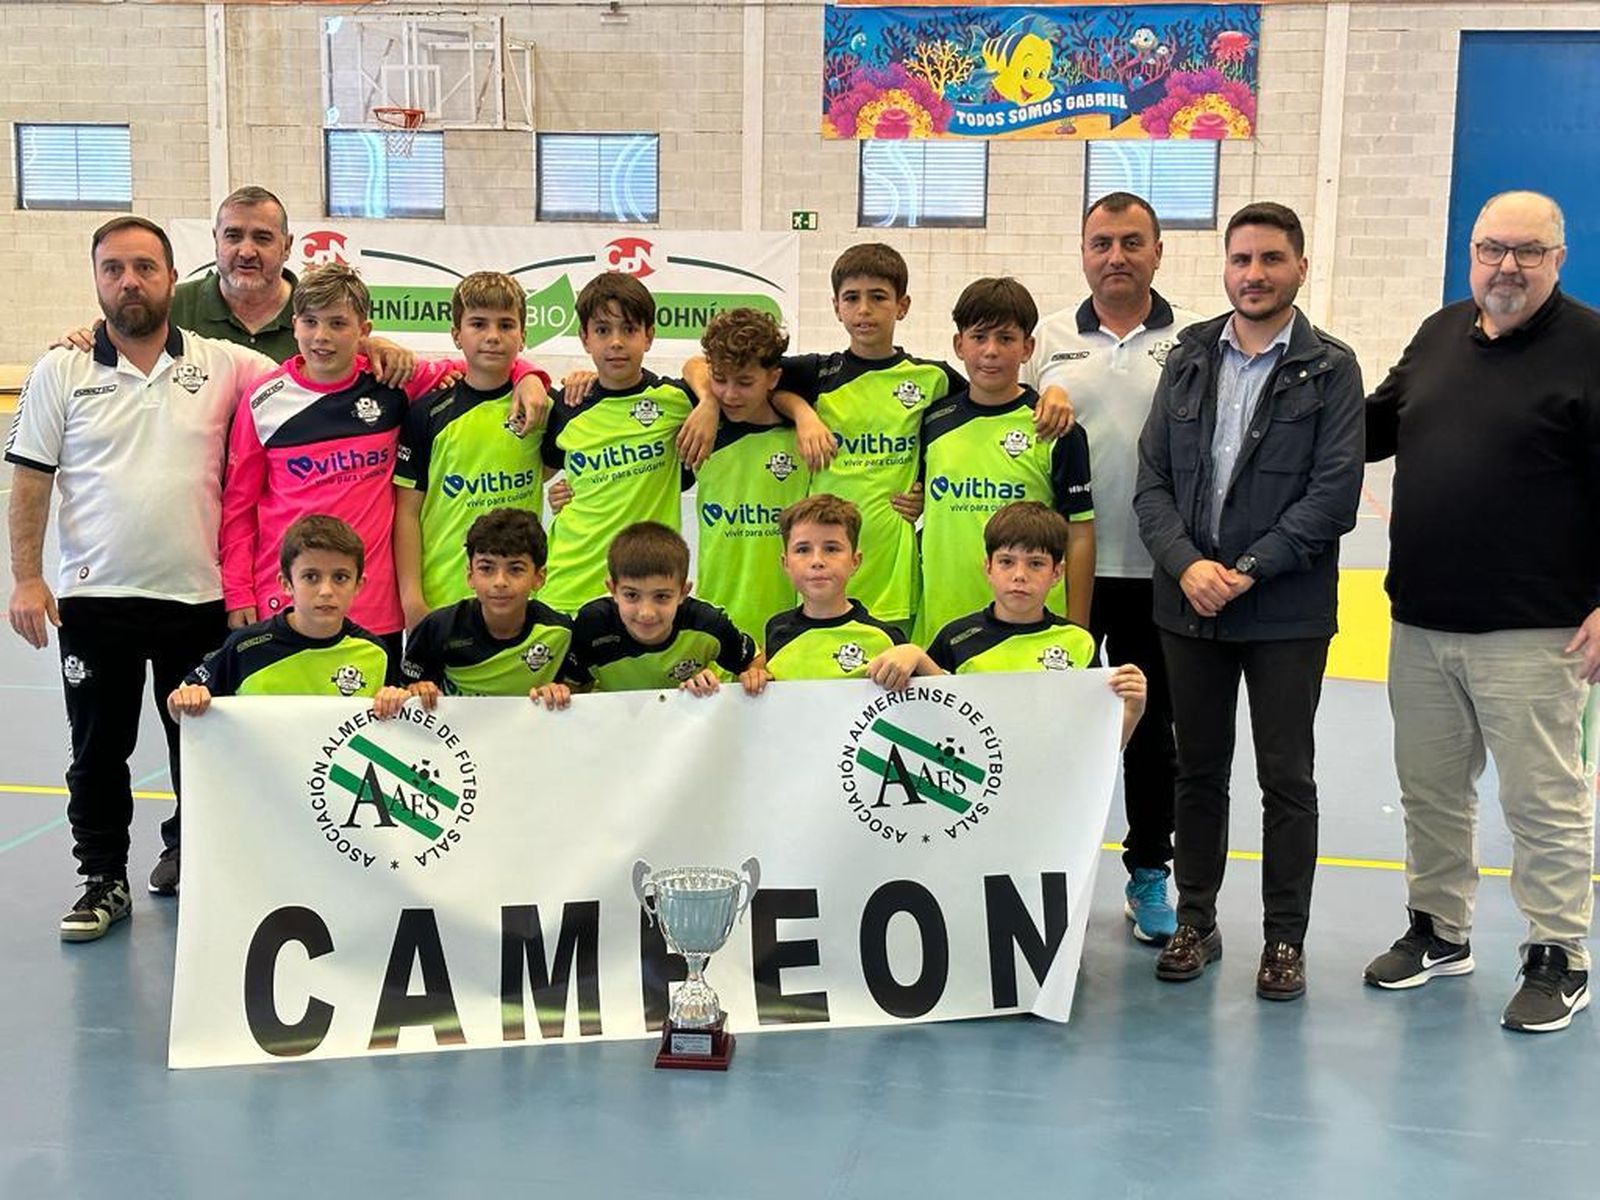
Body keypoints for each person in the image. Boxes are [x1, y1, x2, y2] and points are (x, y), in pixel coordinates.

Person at [1362, 190, 1599, 1034]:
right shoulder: (1440, 332)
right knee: (1431, 792)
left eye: (1527, 252)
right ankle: (1440, 929)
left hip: (1536, 629)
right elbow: (1370, 430)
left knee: (1542, 802)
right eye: (1492, 248)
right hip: (1422, 619)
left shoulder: (1591, 345)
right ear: (1471, 252)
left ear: (1557, 259)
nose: (1507, 266)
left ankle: (1557, 954)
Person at [4, 216, 277, 929]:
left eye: (144, 268)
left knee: (203, 747)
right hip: (95, 603)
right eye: (114, 269)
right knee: (98, 751)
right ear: (96, 280)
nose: (129, 282)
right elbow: (31, 480)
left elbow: (319, 366)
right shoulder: (58, 369)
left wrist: (378, 343)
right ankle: (102, 879)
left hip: (198, 599)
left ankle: (200, 863)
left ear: (170, 278)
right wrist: (28, 579)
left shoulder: (224, 363)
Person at [1133, 201, 1364, 1002]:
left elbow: (1334, 497)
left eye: (1271, 259)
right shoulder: (1190, 355)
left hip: (1285, 612)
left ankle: (1284, 939)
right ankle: (1196, 919)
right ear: (1224, 268)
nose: (1254, 274)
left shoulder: (1333, 368)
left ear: (1301, 268)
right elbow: (1153, 481)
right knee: (1196, 771)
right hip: (1188, 603)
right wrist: (1189, 565)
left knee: (1286, 778)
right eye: (1241, 260)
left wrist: (1250, 568)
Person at [1028, 190, 1204, 946]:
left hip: (1157, 571)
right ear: (1083, 252)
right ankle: (1034, 869)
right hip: (1058, 573)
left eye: (1133, 243)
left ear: (1158, 253)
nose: (1116, 257)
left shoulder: (1194, 343)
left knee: (1153, 732)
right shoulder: (1048, 342)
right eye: (1102, 242)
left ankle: (1147, 874)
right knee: (1046, 727)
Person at [737, 244, 1073, 634]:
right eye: (852, 298)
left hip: (896, 575)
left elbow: (991, 400)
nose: (864, 309)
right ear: (835, 307)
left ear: (903, 305)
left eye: (878, 297)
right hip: (826, 567)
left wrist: (1055, 392)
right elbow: (746, 380)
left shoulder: (934, 380)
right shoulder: (817, 374)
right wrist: (803, 413)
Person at [220, 263, 549, 657]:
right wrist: (239, 590)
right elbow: (239, 506)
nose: (322, 337)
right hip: (289, 597)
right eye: (310, 322)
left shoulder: (393, 380)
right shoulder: (263, 399)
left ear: (363, 331)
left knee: (375, 719)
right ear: (294, 325)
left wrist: (531, 375)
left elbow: (483, 367)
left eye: (338, 323)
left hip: (374, 606)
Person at [916, 277, 1094, 643]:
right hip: (943, 619)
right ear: (958, 345)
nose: (991, 350)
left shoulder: (1056, 429)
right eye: (979, 337)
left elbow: (1079, 533)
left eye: (1006, 338)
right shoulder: (932, 422)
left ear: (1028, 348)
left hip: (1033, 628)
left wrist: (1077, 629)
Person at [393, 271, 554, 631]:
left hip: (519, 600)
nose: (493, 337)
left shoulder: (540, 407)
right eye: (478, 324)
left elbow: (552, 469)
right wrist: (412, 598)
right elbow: (406, 513)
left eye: (506, 325)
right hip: (444, 596)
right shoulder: (427, 413)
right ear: (456, 334)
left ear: (523, 336)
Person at [539, 274, 698, 614]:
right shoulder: (567, 406)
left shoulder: (675, 400)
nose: (615, 342)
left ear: (649, 336)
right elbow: (540, 472)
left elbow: (709, 369)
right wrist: (562, 493)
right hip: (568, 582)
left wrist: (710, 405)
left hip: (644, 592)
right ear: (584, 338)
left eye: (628, 329)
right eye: (601, 330)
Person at [927, 501, 1145, 749]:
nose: (1020, 575)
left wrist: (1132, 711)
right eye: (1006, 562)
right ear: (988, 567)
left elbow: (1093, 750)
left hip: (1049, 783)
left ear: (1057, 573)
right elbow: (928, 725)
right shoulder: (955, 639)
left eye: (1036, 564)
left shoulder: (1078, 642)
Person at [166, 514, 409, 721]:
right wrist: (185, 700)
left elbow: (395, 727)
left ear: (359, 584)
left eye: (340, 577)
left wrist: (399, 701)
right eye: (311, 577)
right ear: (286, 583)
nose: (326, 591)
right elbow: (179, 707)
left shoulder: (376, 653)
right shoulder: (245, 647)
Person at [685, 308, 812, 640]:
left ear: (772, 378)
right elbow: (691, 365)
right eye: (720, 380)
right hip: (719, 617)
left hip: (792, 622)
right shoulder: (704, 431)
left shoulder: (801, 437)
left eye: (744, 382)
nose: (729, 394)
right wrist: (707, 402)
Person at [400, 508, 578, 707]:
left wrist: (561, 693)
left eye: (516, 569)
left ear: (539, 577)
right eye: (486, 568)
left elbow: (581, 693)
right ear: (470, 575)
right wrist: (415, 691)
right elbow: (406, 694)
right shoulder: (438, 628)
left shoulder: (561, 632)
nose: (500, 582)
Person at [567, 522, 765, 695]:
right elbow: (573, 687)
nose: (646, 612)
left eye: (661, 596)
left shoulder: (708, 623)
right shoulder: (592, 624)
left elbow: (754, 660)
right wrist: (557, 692)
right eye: (631, 595)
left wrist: (752, 678)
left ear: (683, 592)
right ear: (613, 590)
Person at [764, 494, 938, 690]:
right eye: (803, 550)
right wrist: (753, 675)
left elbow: (942, 703)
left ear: (855, 561)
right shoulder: (775, 631)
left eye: (831, 548)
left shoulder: (885, 638)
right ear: (785, 563)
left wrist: (918, 656)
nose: (817, 561)